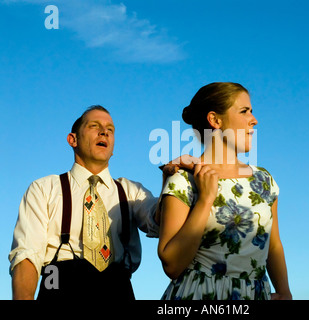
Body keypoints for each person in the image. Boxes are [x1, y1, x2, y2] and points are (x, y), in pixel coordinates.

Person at [10, 105, 161, 300]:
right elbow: (26, 255)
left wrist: (174, 182)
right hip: (57, 283)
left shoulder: (131, 191)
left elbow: (158, 220)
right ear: (73, 139)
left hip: (117, 288)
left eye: (110, 130)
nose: (104, 132)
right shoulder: (44, 188)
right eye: (94, 126)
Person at [158, 82, 292, 300]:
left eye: (252, 111)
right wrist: (205, 199)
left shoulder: (264, 180)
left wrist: (285, 293)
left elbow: (274, 244)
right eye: (244, 111)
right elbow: (171, 264)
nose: (254, 120)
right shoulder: (183, 179)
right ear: (215, 120)